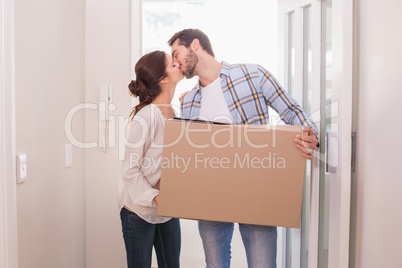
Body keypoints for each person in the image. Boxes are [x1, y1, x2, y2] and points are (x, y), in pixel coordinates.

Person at [168, 29, 319, 268]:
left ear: (195, 45)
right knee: (215, 265)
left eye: (176, 53)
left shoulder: (252, 75)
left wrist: (310, 133)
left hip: (256, 193)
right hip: (210, 199)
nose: (175, 61)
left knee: (262, 265)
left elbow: (292, 111)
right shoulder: (188, 101)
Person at [118, 50, 184, 268]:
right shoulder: (147, 116)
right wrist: (156, 197)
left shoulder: (175, 113)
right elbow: (130, 170)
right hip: (139, 211)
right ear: (163, 79)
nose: (178, 63)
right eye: (172, 63)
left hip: (168, 211)